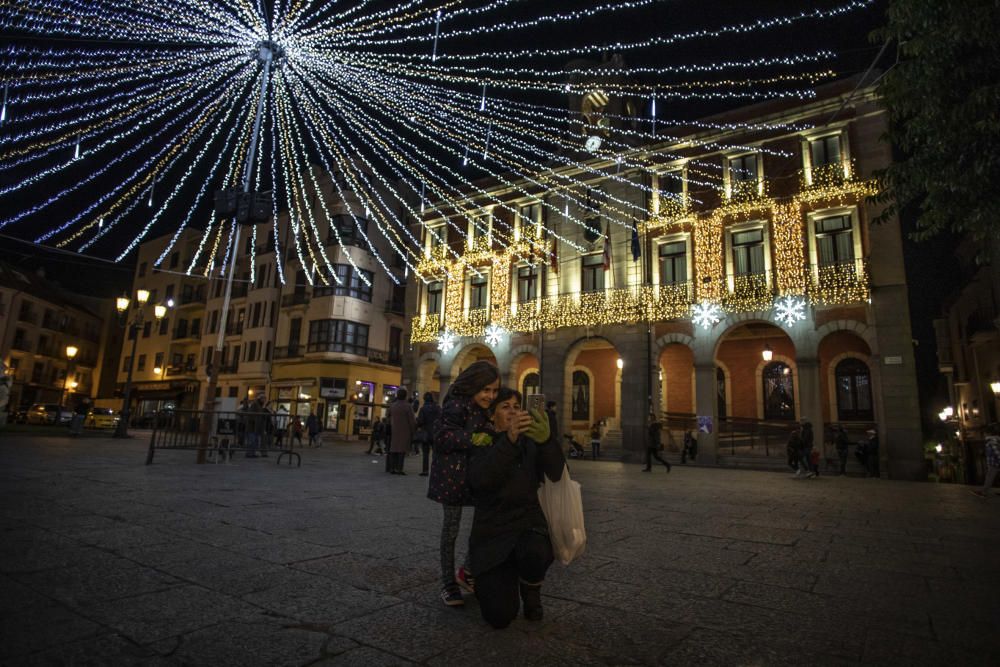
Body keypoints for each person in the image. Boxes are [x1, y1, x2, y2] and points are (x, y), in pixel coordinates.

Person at [468, 388, 565, 628]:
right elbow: (481, 481)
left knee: (535, 551)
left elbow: (557, 473)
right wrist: (509, 440)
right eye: (505, 406)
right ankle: (499, 576)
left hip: (527, 525)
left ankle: (531, 588)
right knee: (499, 617)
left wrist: (547, 442)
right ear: (492, 416)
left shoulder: (531, 442)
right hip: (492, 535)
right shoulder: (480, 440)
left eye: (516, 406)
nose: (512, 410)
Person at [428, 360, 500, 607]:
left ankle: (466, 571)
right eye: (486, 390)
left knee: (486, 524)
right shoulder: (455, 405)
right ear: (473, 386)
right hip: (451, 477)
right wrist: (474, 438)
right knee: (450, 532)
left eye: (494, 390)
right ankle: (448, 584)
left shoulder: (482, 409)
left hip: (474, 476)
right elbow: (442, 436)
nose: (490, 395)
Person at [389, 388, 416, 475]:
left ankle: (392, 468)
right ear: (405, 396)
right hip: (405, 430)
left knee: (394, 449)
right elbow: (412, 420)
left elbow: (388, 417)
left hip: (395, 430)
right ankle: (399, 469)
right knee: (401, 450)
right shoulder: (408, 406)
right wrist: (413, 430)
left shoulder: (393, 405)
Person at [970, 423, 1000, 498]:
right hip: (994, 462)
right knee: (990, 476)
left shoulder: (992, 441)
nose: (983, 435)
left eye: (983, 433)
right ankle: (984, 491)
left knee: (989, 476)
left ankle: (984, 492)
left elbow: (997, 452)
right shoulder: (994, 440)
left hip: (994, 463)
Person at [416, 392, 441, 477]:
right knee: (435, 453)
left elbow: (420, 421)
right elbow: (441, 420)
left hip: (426, 433)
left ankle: (425, 470)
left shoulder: (423, 409)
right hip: (435, 433)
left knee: (425, 454)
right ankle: (436, 470)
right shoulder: (438, 408)